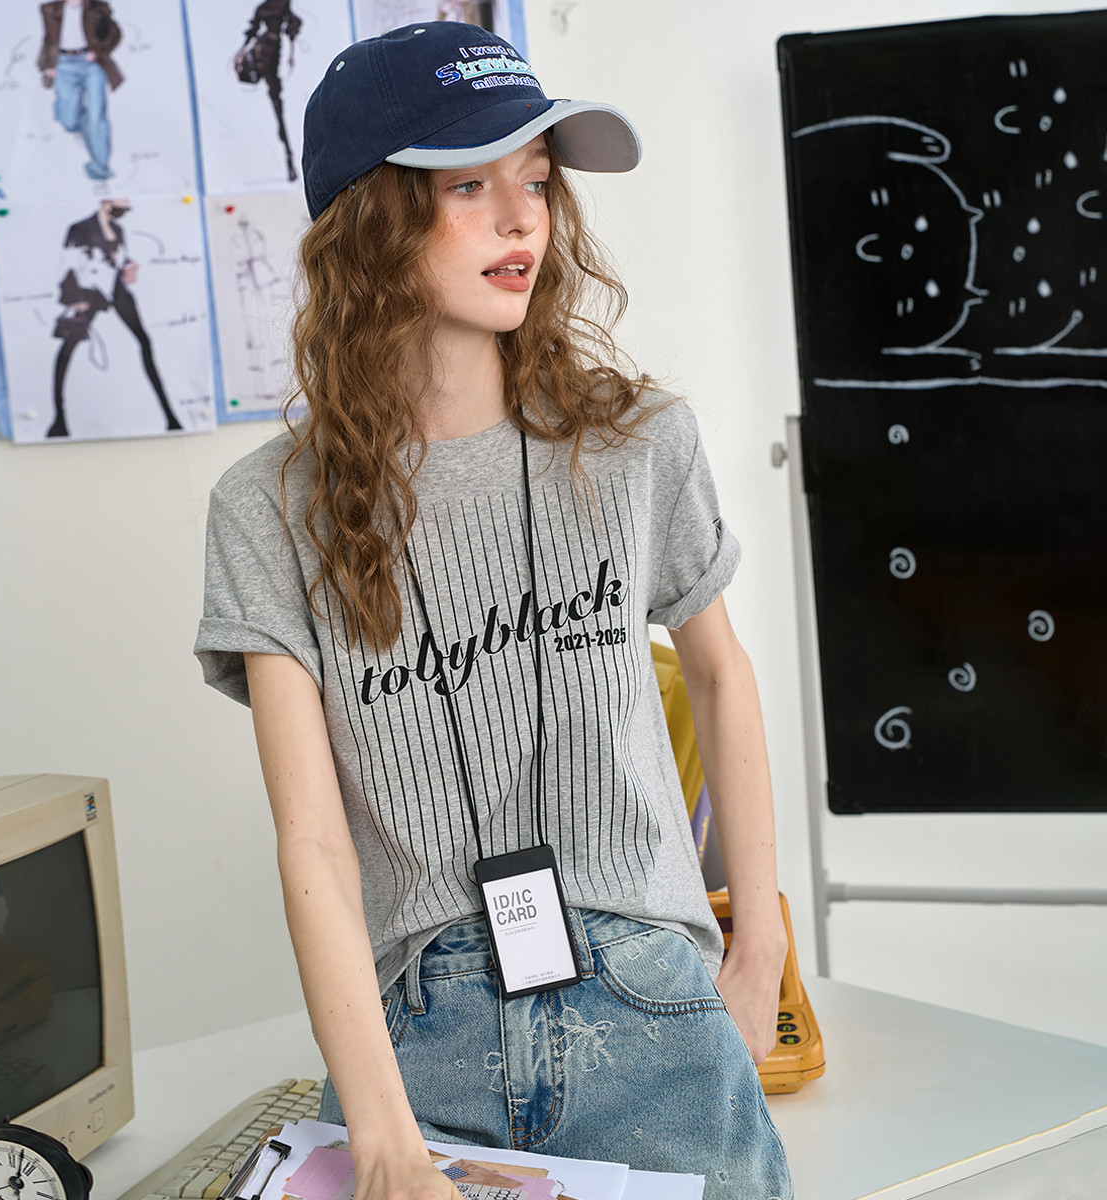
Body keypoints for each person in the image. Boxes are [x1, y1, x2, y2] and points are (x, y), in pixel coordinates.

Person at [195, 22, 792, 1200]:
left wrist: (759, 948)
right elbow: (311, 838)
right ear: (370, 220)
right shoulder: (267, 509)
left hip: (651, 1002)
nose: (523, 219)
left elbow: (722, 672)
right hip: (419, 1035)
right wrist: (380, 1132)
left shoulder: (637, 443)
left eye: (537, 180)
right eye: (469, 185)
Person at [48, 199, 181, 438]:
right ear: (106, 200)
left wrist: (129, 267)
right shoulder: (80, 228)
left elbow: (119, 258)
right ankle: (59, 419)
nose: (126, 206)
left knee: (144, 341)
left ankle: (171, 417)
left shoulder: (118, 229)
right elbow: (68, 264)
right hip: (89, 291)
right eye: (123, 202)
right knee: (69, 347)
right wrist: (74, 297)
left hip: (116, 288)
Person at [37, 0, 123, 181]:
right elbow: (48, 38)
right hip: (63, 64)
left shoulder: (98, 7)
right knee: (67, 119)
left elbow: (114, 33)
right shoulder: (50, 9)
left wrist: (99, 52)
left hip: (91, 64)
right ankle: (84, 129)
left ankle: (101, 168)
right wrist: (47, 65)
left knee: (97, 117)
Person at [234, 0, 302, 182]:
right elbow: (291, 25)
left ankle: (288, 155)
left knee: (275, 97)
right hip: (268, 50)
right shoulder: (278, 5)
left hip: (267, 49)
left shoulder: (271, 7)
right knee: (275, 97)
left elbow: (255, 29)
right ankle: (288, 155)